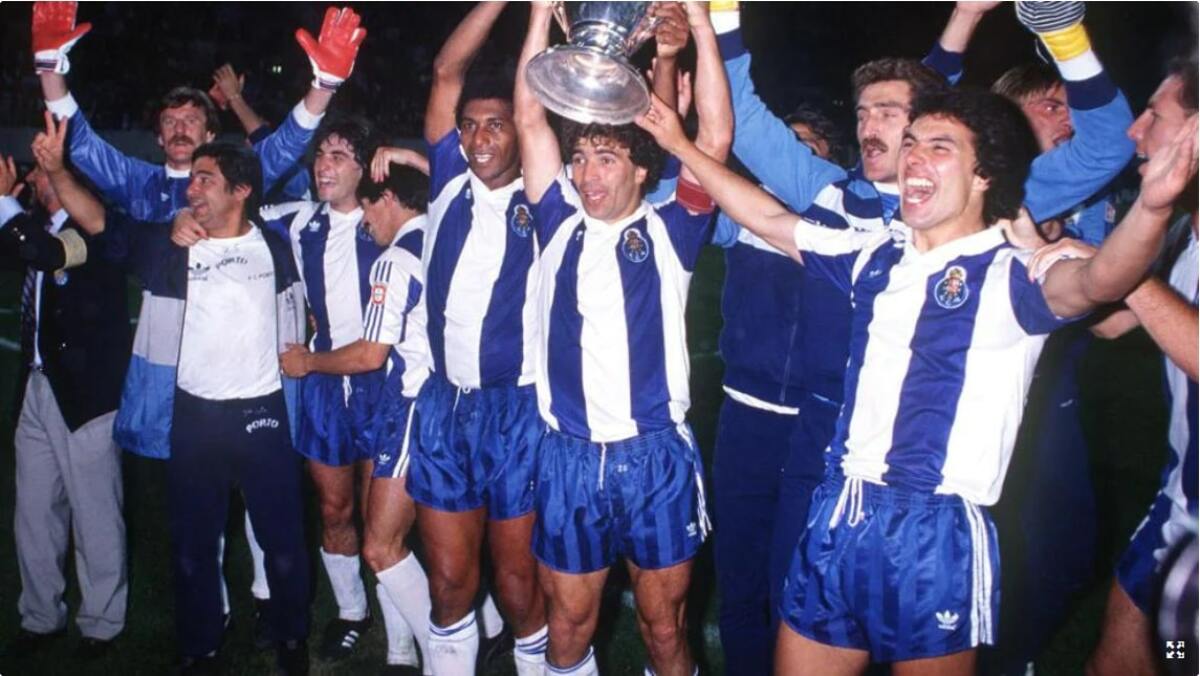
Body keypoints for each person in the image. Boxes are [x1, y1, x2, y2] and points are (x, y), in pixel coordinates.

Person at [637, 78, 1197, 675]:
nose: (913, 157)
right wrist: (681, 144)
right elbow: (769, 217)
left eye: (939, 146)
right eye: (911, 143)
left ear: (984, 175)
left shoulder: (1014, 274)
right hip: (839, 511)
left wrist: (1151, 208)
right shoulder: (874, 253)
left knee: (1161, 651)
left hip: (935, 534)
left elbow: (1100, 281)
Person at [705, 1, 1135, 669]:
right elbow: (747, 124)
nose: (871, 128)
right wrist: (717, 14)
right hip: (822, 440)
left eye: (892, 116)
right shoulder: (827, 191)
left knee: (1038, 564)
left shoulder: (987, 200)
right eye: (863, 113)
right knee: (791, 597)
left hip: (939, 466)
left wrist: (1059, 32)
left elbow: (1107, 144)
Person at [514, 3, 729, 674]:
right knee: (567, 627)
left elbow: (716, 136)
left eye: (605, 159)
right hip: (569, 456)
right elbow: (530, 119)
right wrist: (538, 14)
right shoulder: (556, 220)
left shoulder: (673, 231)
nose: (586, 175)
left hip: (654, 458)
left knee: (664, 629)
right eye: (580, 158)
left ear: (640, 170)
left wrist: (700, 24)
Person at [118, 142, 312, 674]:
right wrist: (58, 169)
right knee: (192, 547)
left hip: (262, 414)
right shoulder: (174, 244)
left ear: (241, 190)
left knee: (283, 541)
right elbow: (103, 226)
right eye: (192, 180)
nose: (192, 188)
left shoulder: (277, 245)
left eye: (205, 179)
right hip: (194, 418)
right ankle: (200, 644)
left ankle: (290, 634)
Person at [406, 4, 548, 672]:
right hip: (445, 405)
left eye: (495, 124)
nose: (479, 137)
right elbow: (445, 70)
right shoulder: (447, 183)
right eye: (469, 125)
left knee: (519, 587)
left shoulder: (549, 199)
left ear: (521, 131)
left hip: (516, 411)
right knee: (449, 584)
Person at [279, 155, 435, 675]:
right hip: (332, 387)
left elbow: (371, 353)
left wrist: (305, 361)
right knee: (335, 509)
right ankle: (352, 612)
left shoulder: (400, 248)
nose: (325, 164)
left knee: (382, 525)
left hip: (383, 384)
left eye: (340, 154)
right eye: (321, 154)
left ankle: (410, 645)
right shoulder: (302, 220)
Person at [33, 1, 359, 222]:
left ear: (210, 134)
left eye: (191, 121)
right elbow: (79, 143)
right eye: (170, 122)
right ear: (159, 138)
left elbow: (286, 144)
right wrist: (49, 69)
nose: (180, 129)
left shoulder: (236, 177)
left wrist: (324, 85)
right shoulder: (136, 181)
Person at [0, 115, 129, 662]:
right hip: (36, 387)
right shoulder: (34, 225)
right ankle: (40, 616)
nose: (31, 177)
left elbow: (50, 255)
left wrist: (3, 205)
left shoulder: (94, 228)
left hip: (85, 395)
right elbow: (20, 248)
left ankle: (101, 623)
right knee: (33, 513)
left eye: (40, 171)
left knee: (94, 512)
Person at [1087, 57, 1199, 676]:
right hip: (1180, 504)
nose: (1135, 130)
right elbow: (1110, 324)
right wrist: (1052, 254)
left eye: (1155, 115)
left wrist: (1124, 276)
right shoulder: (1184, 231)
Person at [210, 62, 312, 203]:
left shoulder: (295, 175)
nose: (248, 141)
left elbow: (266, 144)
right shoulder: (231, 165)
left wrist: (234, 97)